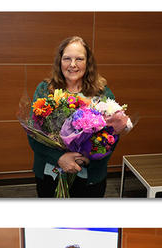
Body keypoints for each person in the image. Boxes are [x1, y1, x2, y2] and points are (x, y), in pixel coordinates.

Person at [28, 36, 121, 198]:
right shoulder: (45, 90)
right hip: (51, 173)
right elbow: (33, 134)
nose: (73, 64)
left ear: (88, 63)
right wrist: (59, 158)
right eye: (67, 59)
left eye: (79, 59)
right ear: (59, 62)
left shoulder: (102, 93)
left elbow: (113, 136)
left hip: (89, 175)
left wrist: (88, 157)